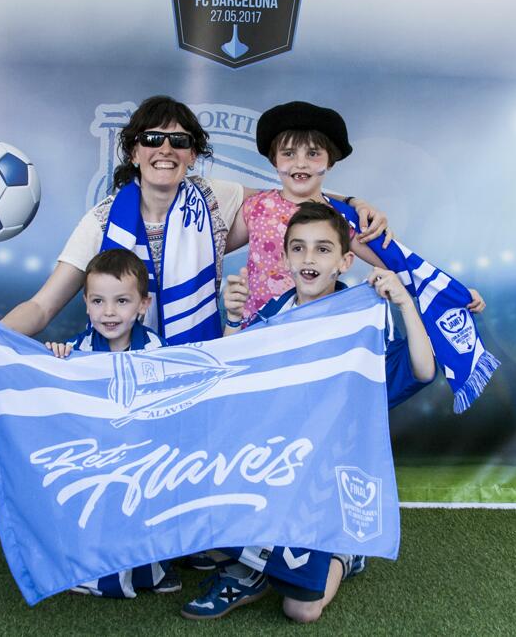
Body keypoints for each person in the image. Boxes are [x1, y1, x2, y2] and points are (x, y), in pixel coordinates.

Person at [181, 202, 436, 622]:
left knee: (302, 611)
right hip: (273, 464)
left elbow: (423, 371)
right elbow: (230, 385)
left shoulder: (362, 317)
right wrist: (231, 319)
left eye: (322, 249)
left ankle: (343, 553)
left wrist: (405, 303)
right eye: (298, 249)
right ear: (284, 259)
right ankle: (253, 564)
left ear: (344, 260)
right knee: (197, 526)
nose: (308, 259)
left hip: (323, 480)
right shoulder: (274, 315)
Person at [0, 96, 388, 346]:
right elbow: (42, 306)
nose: (164, 148)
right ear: (133, 151)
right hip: (127, 365)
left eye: (179, 141)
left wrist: (352, 200)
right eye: (152, 138)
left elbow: (296, 197)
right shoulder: (101, 222)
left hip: (202, 361)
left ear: (192, 154)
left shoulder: (216, 198)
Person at [225, 100, 484, 322]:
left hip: (316, 331)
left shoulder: (340, 218)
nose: (300, 163)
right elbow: (213, 249)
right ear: (274, 160)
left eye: (313, 153)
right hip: (259, 328)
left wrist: (455, 293)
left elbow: (397, 263)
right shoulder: (256, 207)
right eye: (288, 153)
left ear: (330, 161)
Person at [42, 248, 180, 597]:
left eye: (121, 301)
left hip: (143, 454)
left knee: (144, 512)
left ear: (143, 304)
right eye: (98, 301)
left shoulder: (156, 351)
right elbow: (58, 391)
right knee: (96, 509)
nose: (109, 312)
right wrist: (55, 358)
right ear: (86, 304)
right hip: (97, 454)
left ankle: (150, 571)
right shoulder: (79, 349)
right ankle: (94, 571)